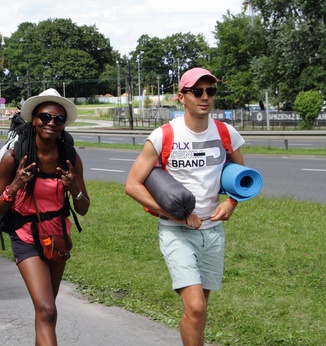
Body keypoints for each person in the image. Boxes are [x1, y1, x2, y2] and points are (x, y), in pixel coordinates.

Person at [125, 68, 245, 346]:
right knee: (195, 307)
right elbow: (132, 185)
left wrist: (232, 203)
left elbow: (243, 177)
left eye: (210, 91)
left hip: (213, 232)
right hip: (176, 232)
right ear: (182, 97)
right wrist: (174, 215)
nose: (205, 97)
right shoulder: (164, 135)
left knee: (200, 308)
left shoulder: (227, 133)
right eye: (197, 91)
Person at [0, 88, 90, 345]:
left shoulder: (70, 158)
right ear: (33, 119)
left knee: (47, 310)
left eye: (58, 119)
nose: (51, 123)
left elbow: (83, 208)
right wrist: (14, 187)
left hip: (57, 237)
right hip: (25, 237)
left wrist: (74, 189)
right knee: (46, 309)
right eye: (45, 117)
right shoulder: (14, 158)